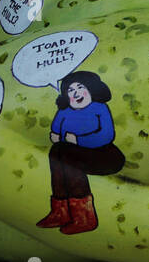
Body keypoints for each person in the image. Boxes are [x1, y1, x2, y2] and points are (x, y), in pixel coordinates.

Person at [36, 71, 126, 235]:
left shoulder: (100, 108)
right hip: (74, 152)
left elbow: (106, 136)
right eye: (70, 90)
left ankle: (85, 217)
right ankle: (60, 212)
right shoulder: (64, 111)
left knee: (69, 157)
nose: (75, 93)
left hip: (105, 155)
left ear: (92, 89)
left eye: (80, 87)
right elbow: (56, 129)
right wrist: (55, 136)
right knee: (57, 151)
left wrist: (78, 140)